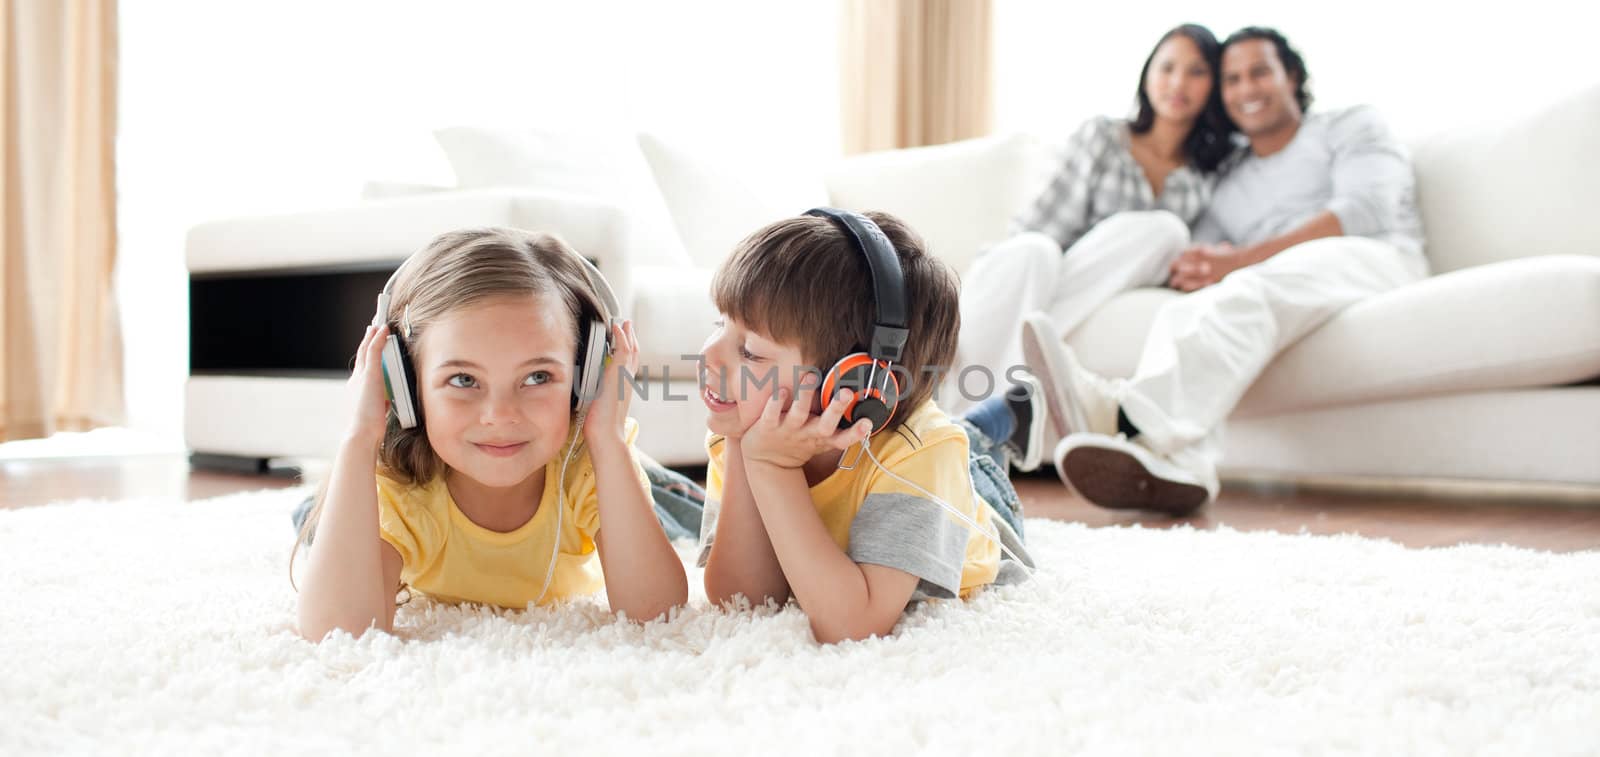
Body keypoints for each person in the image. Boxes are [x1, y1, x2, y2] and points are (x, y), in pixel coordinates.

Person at [1024, 27, 1428, 515]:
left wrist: (1237, 261)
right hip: (1284, 278)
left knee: (1250, 288)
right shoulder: (1228, 177)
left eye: (1260, 72)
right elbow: (1206, 257)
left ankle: (1122, 415)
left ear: (1292, 75)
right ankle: (1181, 470)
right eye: (1232, 79)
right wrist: (1202, 268)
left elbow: (1366, 209)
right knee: (1185, 314)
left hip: (1373, 257)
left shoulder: (1349, 124)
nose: (1246, 89)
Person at [292, 227, 688, 640]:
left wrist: (609, 441)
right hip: (417, 462)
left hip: (580, 456)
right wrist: (359, 438)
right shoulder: (401, 487)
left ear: (586, 377)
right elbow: (337, 632)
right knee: (319, 517)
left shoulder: (589, 461)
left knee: (676, 505)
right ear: (405, 385)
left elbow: (658, 613)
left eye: (537, 376)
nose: (500, 416)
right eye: (464, 380)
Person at [695, 209, 1034, 644]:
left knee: (969, 452)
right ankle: (996, 418)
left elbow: (852, 624)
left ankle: (1001, 421)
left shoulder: (922, 453)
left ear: (853, 384)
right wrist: (751, 455)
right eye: (718, 324)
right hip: (912, 456)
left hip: (967, 499)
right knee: (963, 435)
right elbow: (741, 600)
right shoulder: (744, 429)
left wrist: (773, 471)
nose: (708, 355)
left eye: (750, 352)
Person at [952, 23, 1235, 441]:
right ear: (1148, 74)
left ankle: (974, 426)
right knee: (1035, 251)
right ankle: (981, 419)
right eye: (1168, 67)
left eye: (1196, 72)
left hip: (1107, 282)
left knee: (1166, 230)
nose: (1178, 82)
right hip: (1037, 264)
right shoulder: (1102, 137)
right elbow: (1039, 227)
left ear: (1213, 85)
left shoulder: (1209, 173)